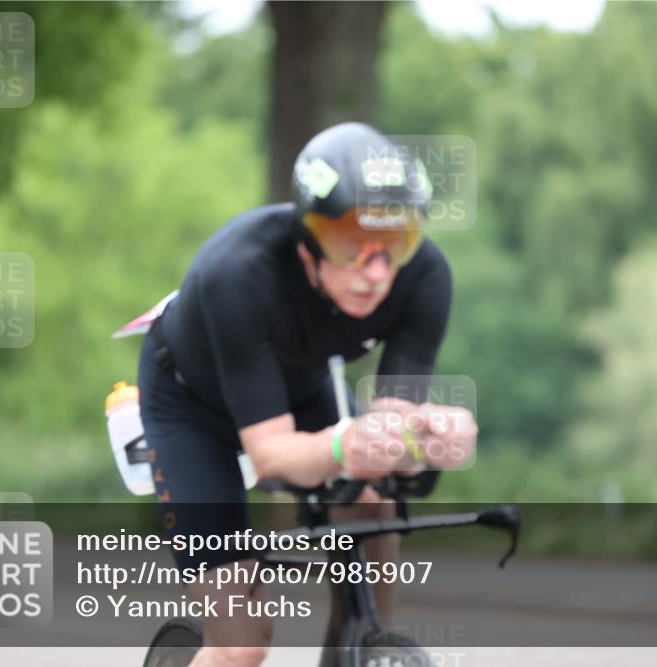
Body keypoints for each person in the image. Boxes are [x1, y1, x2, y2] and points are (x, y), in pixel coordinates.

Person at [137, 122, 477, 667]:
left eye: (395, 241)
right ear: (308, 238)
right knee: (242, 643)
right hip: (191, 408)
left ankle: (360, 650)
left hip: (299, 382)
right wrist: (344, 448)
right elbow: (273, 455)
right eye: (350, 243)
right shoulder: (238, 273)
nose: (375, 272)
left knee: (374, 501)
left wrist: (425, 442)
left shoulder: (425, 277)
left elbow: (392, 433)